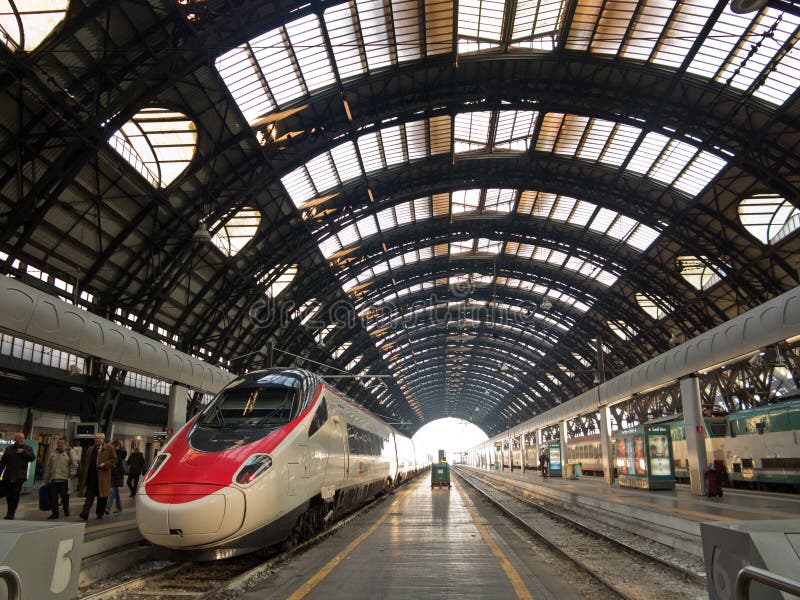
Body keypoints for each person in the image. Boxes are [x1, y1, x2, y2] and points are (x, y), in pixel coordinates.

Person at [79, 433, 116, 520]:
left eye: (99, 438)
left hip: (103, 477)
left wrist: (105, 464)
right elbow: (87, 463)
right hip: (92, 476)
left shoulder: (108, 448)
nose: (97, 440)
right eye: (96, 438)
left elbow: (114, 459)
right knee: (89, 496)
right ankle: (85, 513)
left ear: (103, 440)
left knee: (102, 496)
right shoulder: (90, 449)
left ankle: (100, 513)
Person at [0, 432, 35, 519]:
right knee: (9, 495)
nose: (21, 440)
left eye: (22, 438)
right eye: (19, 438)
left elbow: (32, 458)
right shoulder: (9, 449)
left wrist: (24, 452)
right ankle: (9, 511)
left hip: (19, 476)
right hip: (8, 476)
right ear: (15, 439)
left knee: (15, 495)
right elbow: (3, 462)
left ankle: (11, 513)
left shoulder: (28, 448)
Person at [43, 437, 77, 519]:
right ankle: (55, 513)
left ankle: (66, 509)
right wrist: (46, 478)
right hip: (53, 479)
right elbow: (48, 466)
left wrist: (72, 473)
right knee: (53, 498)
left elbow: (74, 464)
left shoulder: (69, 452)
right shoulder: (52, 454)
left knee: (64, 496)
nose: (60, 444)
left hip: (64, 479)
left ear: (65, 444)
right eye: (58, 443)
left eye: (62, 443)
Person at [108, 441, 127, 514]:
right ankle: (119, 507)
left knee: (112, 491)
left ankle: (107, 507)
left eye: (114, 446)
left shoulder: (120, 453)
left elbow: (124, 453)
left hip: (117, 475)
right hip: (113, 475)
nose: (113, 447)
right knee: (116, 492)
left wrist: (120, 447)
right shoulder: (113, 453)